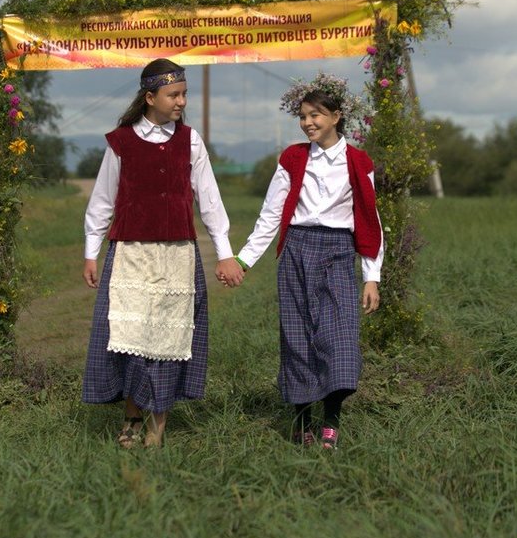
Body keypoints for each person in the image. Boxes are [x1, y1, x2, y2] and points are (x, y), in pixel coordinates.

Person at [82, 58, 244, 448]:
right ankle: (132, 419)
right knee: (132, 335)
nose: (181, 102)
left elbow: (210, 200)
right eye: (174, 94)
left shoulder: (190, 141)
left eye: (184, 94)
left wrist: (224, 253)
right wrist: (91, 251)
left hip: (177, 255)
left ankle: (158, 427)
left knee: (168, 342)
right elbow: (102, 202)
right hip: (131, 254)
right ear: (150, 97)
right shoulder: (121, 143)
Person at [228, 75, 382, 449]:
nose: (308, 122)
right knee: (298, 339)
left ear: (336, 117)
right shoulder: (293, 158)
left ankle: (332, 420)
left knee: (341, 339)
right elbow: (270, 214)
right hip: (297, 249)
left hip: (340, 252)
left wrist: (371, 277)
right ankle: (301, 420)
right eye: (303, 116)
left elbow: (369, 221)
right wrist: (243, 260)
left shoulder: (359, 162)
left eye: (316, 115)